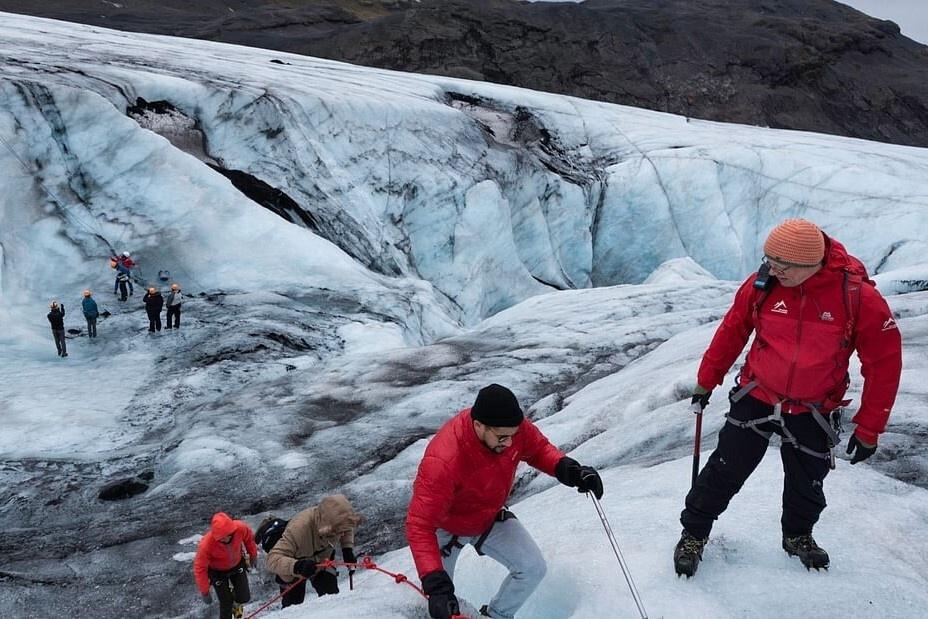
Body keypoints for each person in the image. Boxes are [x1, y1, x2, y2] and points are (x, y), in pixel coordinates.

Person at [675, 219, 902, 576]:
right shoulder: (764, 285)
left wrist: (870, 427)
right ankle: (693, 533)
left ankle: (797, 536)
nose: (773, 269)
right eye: (770, 260)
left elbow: (884, 363)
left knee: (807, 480)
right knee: (725, 469)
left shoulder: (858, 297)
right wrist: (707, 380)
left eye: (784, 264)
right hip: (757, 394)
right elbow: (733, 329)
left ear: (813, 263)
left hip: (814, 406)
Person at [406, 384, 604, 619]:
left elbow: (538, 450)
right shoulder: (443, 460)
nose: (510, 443)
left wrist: (569, 470)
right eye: (502, 437)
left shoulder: (511, 429)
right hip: (446, 528)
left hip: (487, 516)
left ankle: (496, 616)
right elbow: (420, 525)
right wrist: (436, 585)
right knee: (436, 603)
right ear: (478, 425)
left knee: (531, 568)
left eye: (513, 435)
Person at [264, 495, 362, 608]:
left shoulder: (338, 520)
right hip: (294, 568)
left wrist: (347, 549)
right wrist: (297, 566)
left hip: (322, 561)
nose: (343, 534)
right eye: (339, 531)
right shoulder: (299, 528)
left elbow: (347, 527)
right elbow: (272, 559)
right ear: (328, 526)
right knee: (293, 608)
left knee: (332, 598)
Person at [193, 512, 258, 619]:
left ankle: (235, 603)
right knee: (226, 603)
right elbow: (200, 568)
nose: (221, 540)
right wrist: (204, 591)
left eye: (224, 537)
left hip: (237, 566)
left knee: (244, 597)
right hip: (217, 572)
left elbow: (249, 539)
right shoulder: (207, 544)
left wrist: (253, 555)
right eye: (219, 538)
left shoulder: (240, 528)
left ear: (231, 533)